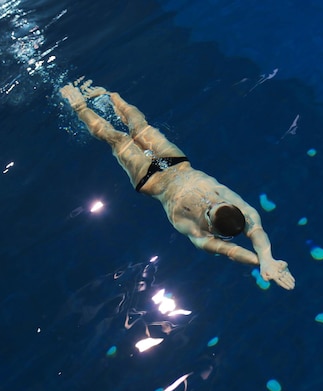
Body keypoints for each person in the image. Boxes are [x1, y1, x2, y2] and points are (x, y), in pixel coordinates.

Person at [60, 78, 295, 290]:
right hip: (177, 163)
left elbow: (232, 252)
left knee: (116, 138)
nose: (209, 202)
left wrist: (260, 263)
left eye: (209, 210)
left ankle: (79, 106)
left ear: (211, 227)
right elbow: (256, 231)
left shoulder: (200, 235)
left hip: (150, 180)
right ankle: (111, 95)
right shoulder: (242, 211)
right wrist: (267, 257)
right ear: (230, 205)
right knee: (140, 127)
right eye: (218, 202)